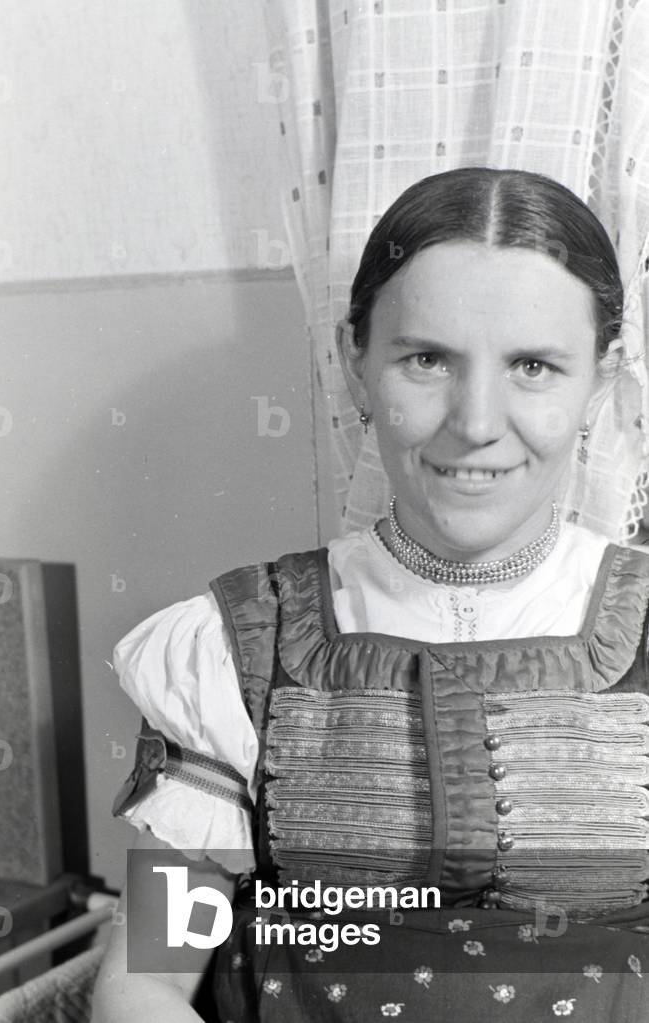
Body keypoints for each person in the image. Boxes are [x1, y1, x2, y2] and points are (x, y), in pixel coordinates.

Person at [91, 168, 649, 1023]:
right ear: (357, 364)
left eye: (533, 365)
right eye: (426, 359)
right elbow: (150, 974)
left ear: (600, 382)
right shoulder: (237, 647)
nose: (475, 421)